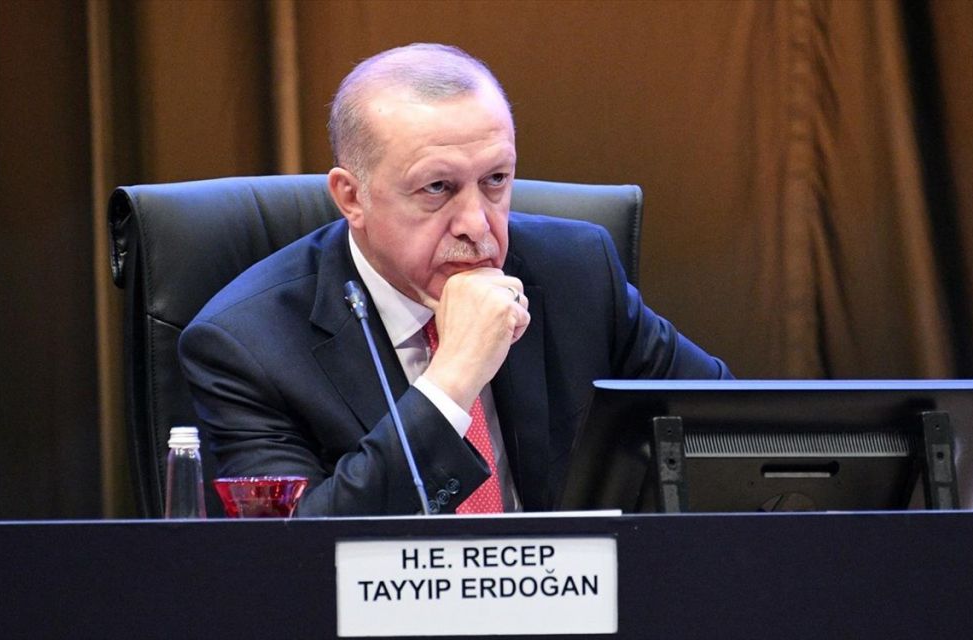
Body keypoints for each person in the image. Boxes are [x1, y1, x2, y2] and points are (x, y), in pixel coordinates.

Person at [178, 43, 733, 517]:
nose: (477, 224)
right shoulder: (246, 347)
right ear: (352, 197)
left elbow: (732, 437)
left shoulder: (576, 273)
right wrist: (452, 379)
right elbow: (293, 556)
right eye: (437, 188)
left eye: (496, 180)